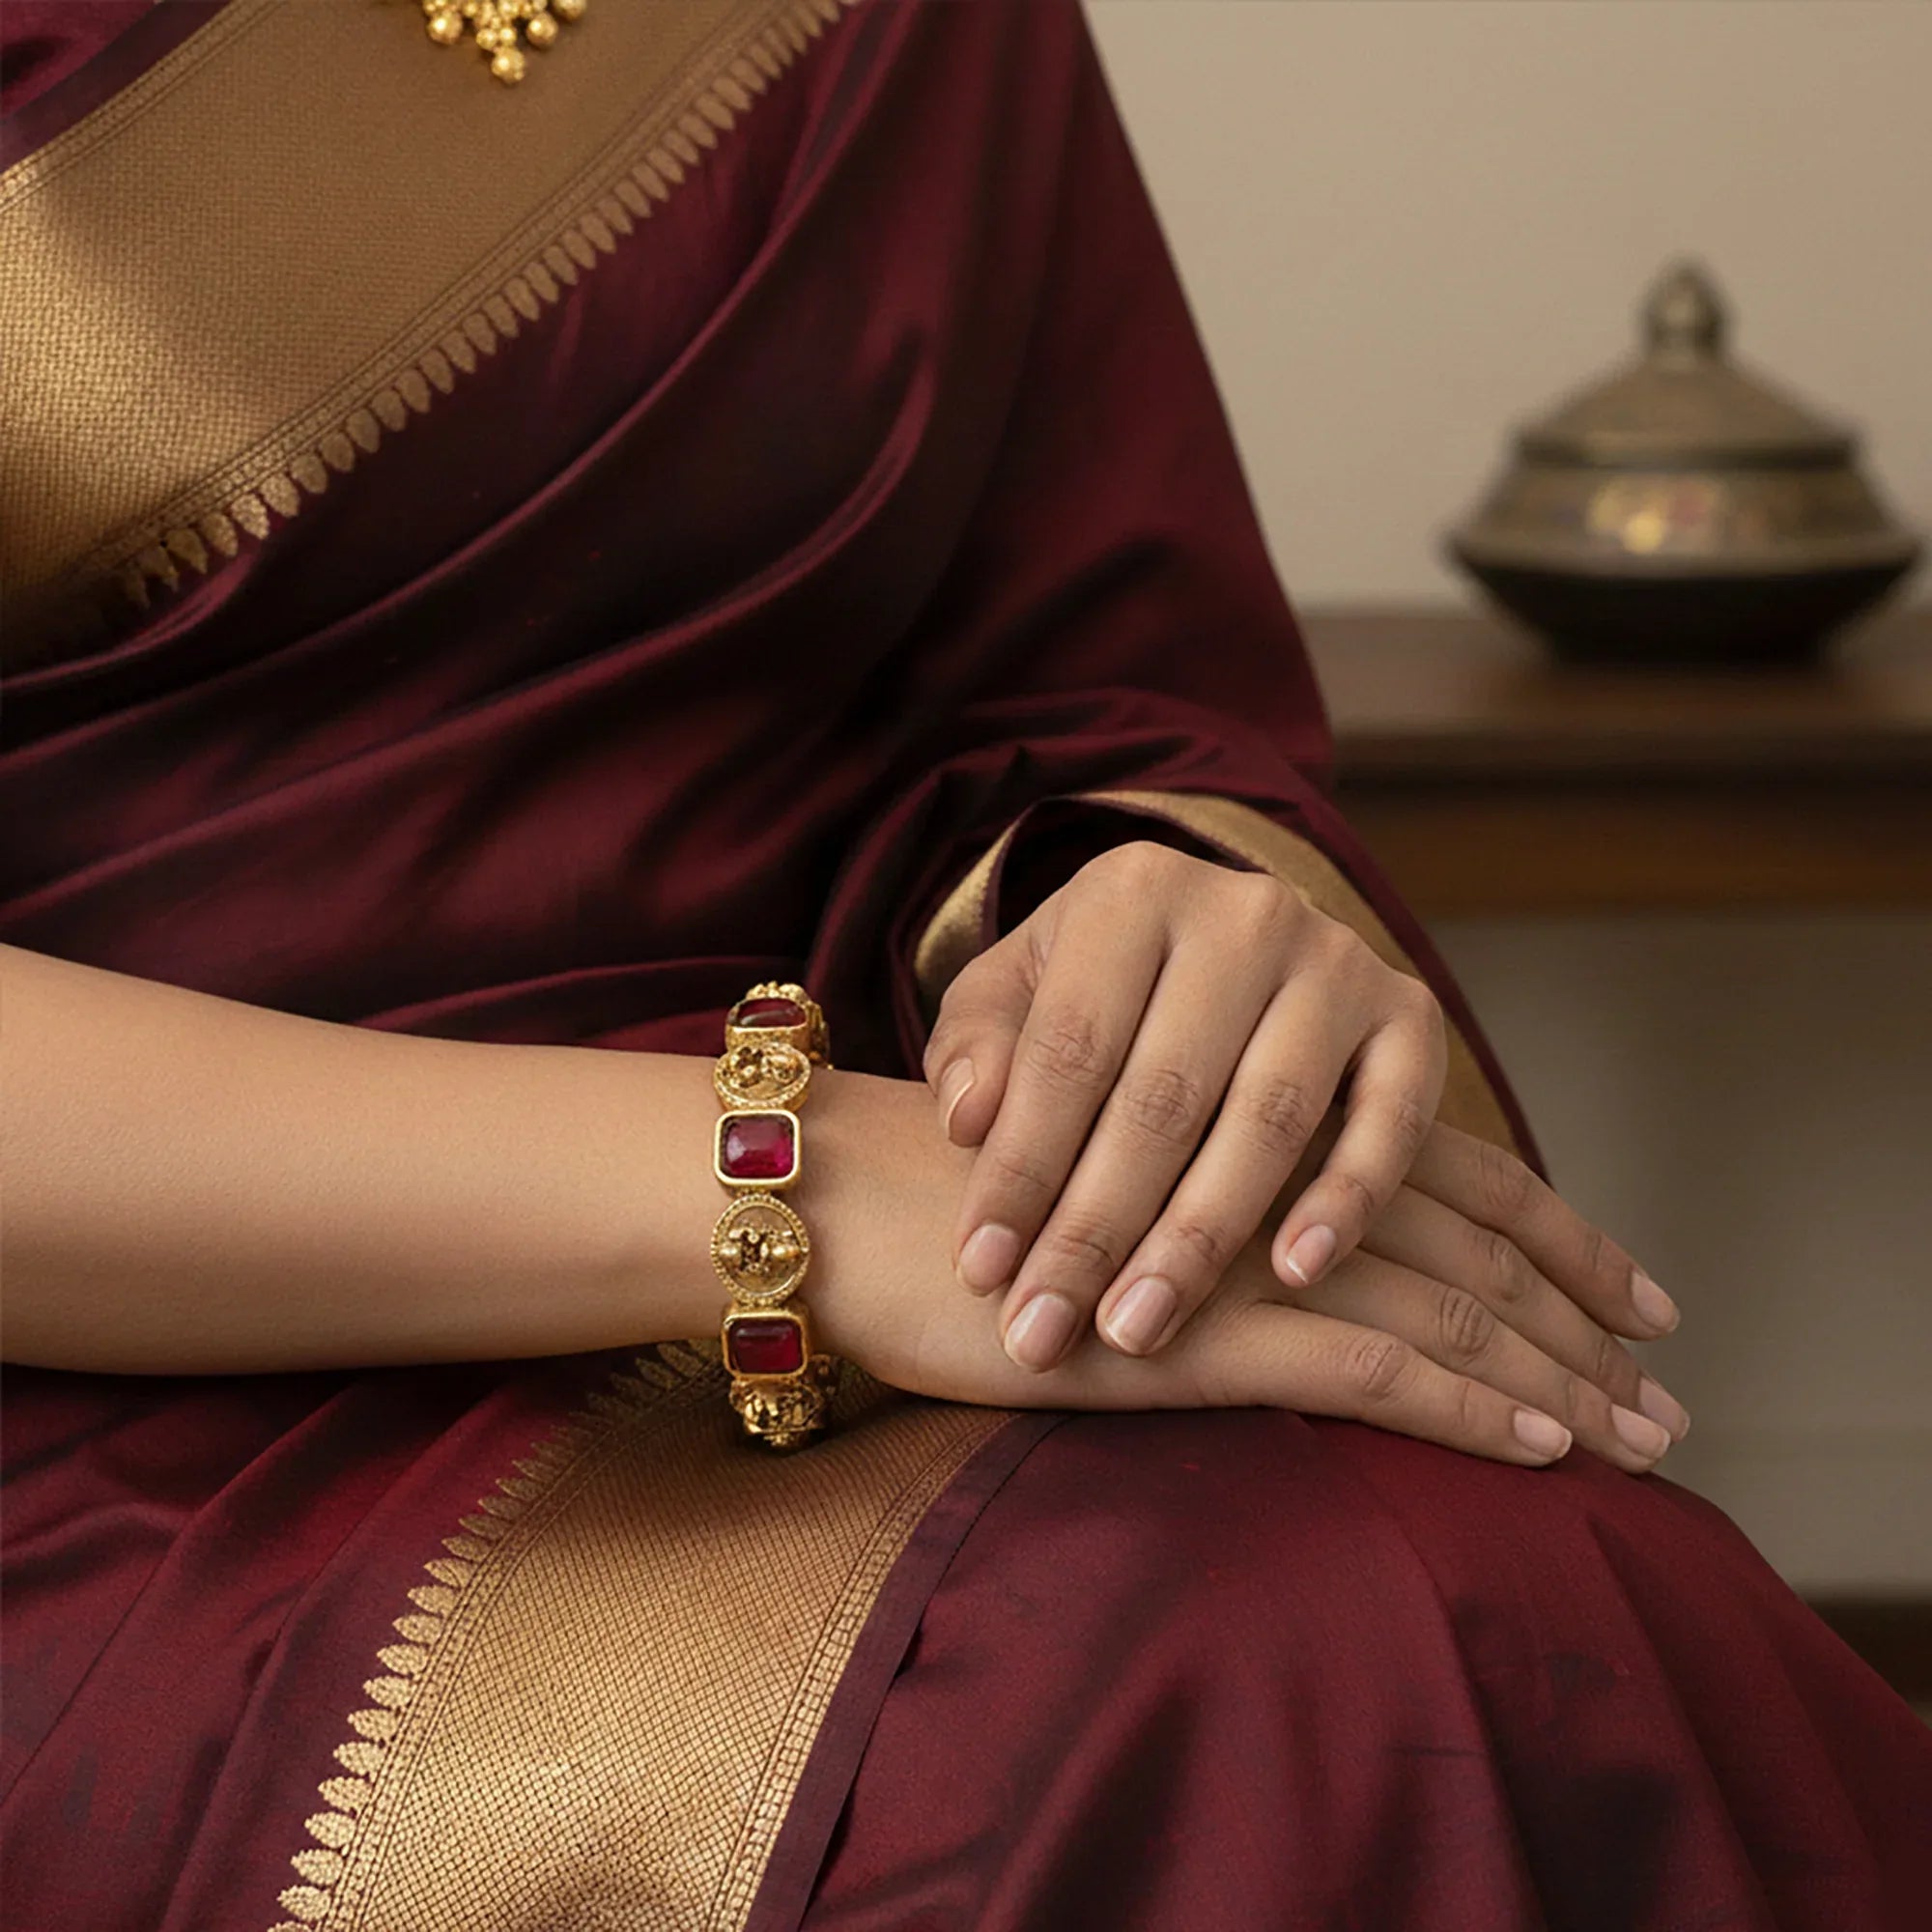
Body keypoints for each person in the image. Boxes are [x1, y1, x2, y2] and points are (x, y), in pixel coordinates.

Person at [2, 2, 1925, 1926]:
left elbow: (1072, 683)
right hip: (143, 1347)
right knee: (1183, 1714)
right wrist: (797, 1181)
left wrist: (1134, 915)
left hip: (919, 1264)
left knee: (1504, 1614)